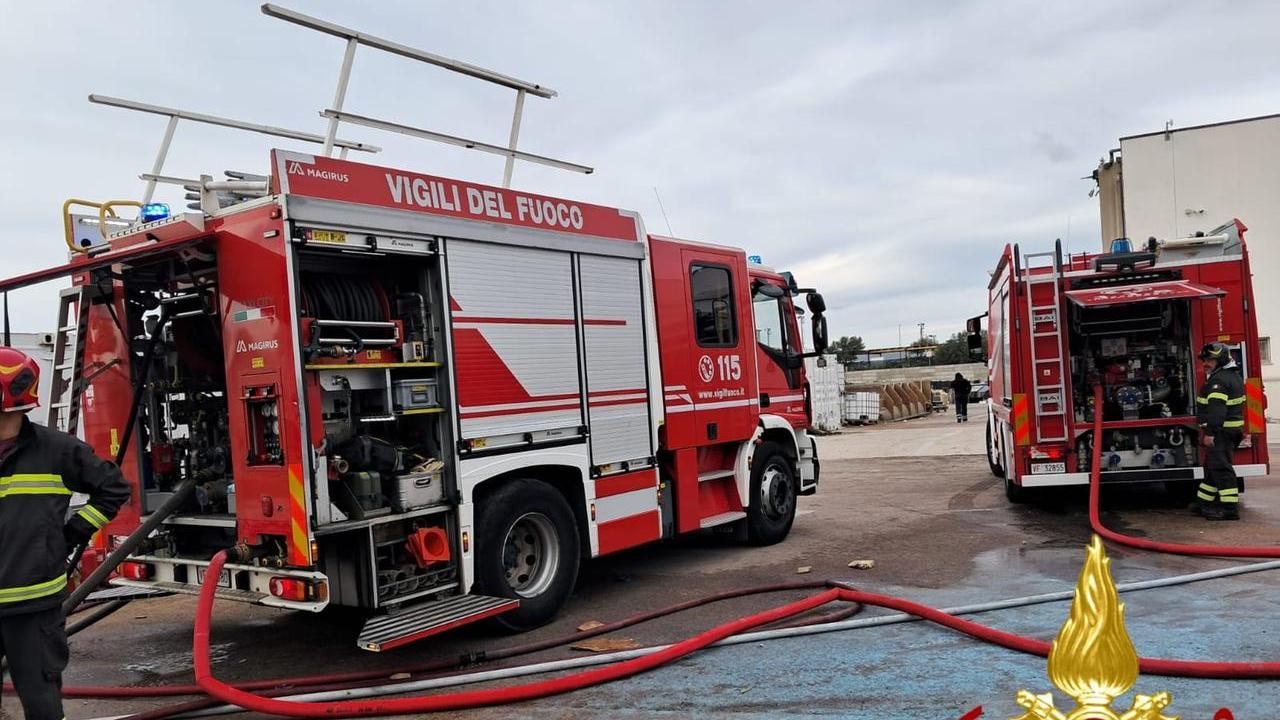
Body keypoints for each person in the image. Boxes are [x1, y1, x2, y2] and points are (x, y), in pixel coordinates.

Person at [0, 347, 129, 719]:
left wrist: (73, 532)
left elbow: (113, 488)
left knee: (41, 702)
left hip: (33, 606)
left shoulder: (56, 451)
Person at [1194, 343, 1245, 521]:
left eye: (1210, 360)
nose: (1205, 364)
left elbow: (1217, 411)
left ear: (1221, 360)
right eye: (1204, 360)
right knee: (1212, 468)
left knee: (1222, 469)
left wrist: (1210, 433)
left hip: (1221, 432)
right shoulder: (1232, 376)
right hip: (1229, 430)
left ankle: (1230, 510)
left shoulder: (1218, 381)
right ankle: (1202, 503)